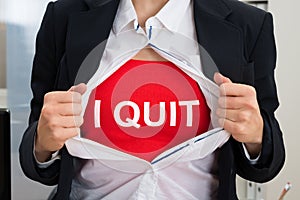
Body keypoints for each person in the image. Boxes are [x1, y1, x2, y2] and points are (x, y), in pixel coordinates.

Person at [19, 0, 285, 199]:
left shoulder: (248, 25)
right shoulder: (64, 17)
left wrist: (255, 135)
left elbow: (264, 165)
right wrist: (43, 144)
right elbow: (38, 154)